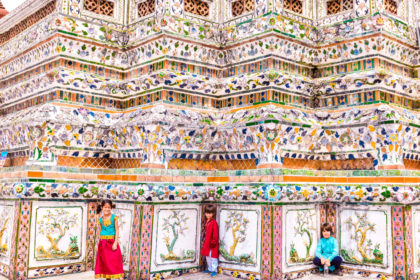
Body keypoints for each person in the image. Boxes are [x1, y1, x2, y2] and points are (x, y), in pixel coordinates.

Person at [95, 200, 124, 280]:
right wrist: (97, 244)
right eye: (105, 207)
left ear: (111, 208)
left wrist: (115, 243)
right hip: (103, 244)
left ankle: (120, 278)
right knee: (106, 263)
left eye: (108, 207)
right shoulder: (100, 219)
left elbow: (117, 230)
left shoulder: (114, 218)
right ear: (102, 208)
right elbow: (99, 232)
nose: (107, 209)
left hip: (111, 243)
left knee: (115, 262)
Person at [201, 204, 219, 277]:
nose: (208, 215)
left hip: (212, 243)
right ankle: (209, 268)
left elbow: (215, 234)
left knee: (213, 257)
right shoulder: (206, 221)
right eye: (207, 213)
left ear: (213, 213)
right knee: (207, 256)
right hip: (207, 243)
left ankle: (214, 270)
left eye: (210, 213)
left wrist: (213, 242)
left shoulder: (214, 222)